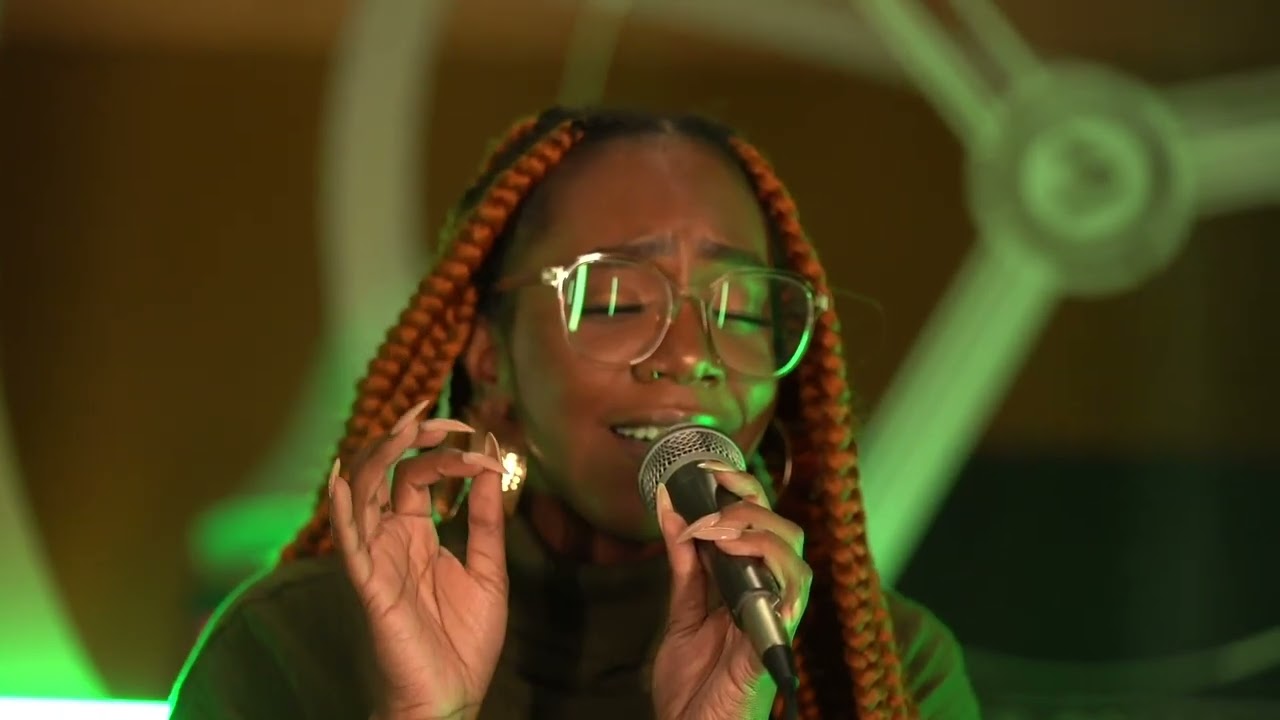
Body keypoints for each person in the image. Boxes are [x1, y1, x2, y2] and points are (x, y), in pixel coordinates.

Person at [168, 107, 982, 719]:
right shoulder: (294, 643)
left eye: (741, 314)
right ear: (491, 359)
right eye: (619, 300)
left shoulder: (888, 670)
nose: (692, 350)